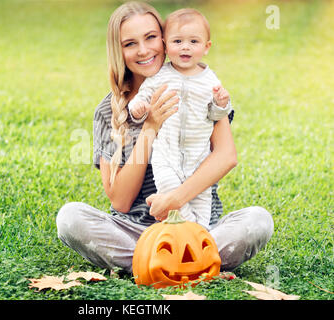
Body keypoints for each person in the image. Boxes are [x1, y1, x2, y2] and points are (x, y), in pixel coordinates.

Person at [56, 1, 273, 273]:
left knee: (258, 220)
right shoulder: (107, 110)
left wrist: (175, 199)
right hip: (137, 231)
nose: (144, 50)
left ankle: (165, 262)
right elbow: (120, 201)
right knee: (70, 218)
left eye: (150, 37)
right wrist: (150, 127)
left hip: (199, 228)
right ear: (118, 51)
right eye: (130, 43)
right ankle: (181, 262)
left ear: (164, 38)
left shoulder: (201, 88)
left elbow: (226, 156)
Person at [128, 8, 233, 229]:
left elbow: (215, 116)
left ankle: (200, 232)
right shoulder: (161, 75)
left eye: (193, 41)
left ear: (206, 47)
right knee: (167, 184)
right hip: (167, 153)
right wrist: (138, 106)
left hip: (199, 157)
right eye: (178, 41)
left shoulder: (209, 80)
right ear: (166, 45)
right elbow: (144, 95)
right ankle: (187, 229)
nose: (185, 47)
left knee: (202, 199)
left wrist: (220, 103)